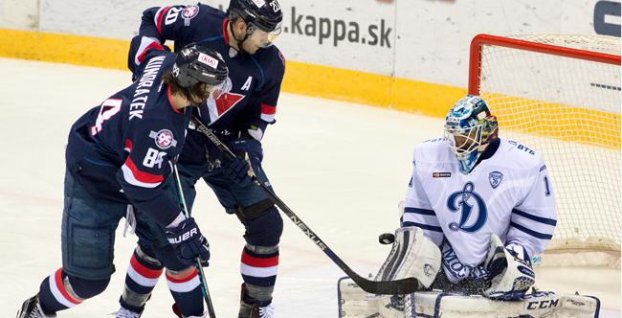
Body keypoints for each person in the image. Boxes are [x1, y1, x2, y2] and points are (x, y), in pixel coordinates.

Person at [16, 35, 229, 318]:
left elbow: (142, 45)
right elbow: (139, 187)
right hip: (94, 177)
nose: (215, 93)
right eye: (210, 87)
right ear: (191, 85)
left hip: (136, 165)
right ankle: (38, 308)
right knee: (87, 281)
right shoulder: (157, 128)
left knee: (178, 252)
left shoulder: (164, 61)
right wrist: (179, 225)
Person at [116, 1, 285, 317]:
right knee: (160, 236)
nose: (269, 39)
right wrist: (148, 61)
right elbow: (152, 18)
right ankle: (129, 310)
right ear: (240, 24)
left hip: (227, 153)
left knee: (267, 225)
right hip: (177, 147)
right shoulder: (198, 21)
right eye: (264, 30)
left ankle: (256, 308)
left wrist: (247, 150)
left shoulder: (272, 62)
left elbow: (260, 119)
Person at [376, 95, 557, 312]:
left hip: (497, 261)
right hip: (447, 259)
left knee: (514, 275)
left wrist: (513, 256)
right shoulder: (428, 157)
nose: (455, 143)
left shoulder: (524, 164)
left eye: (464, 136)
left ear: (486, 131)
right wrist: (419, 253)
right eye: (453, 136)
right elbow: (421, 213)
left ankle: (501, 283)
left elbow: (534, 227)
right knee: (412, 254)